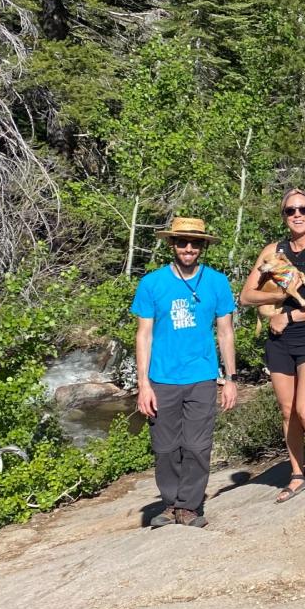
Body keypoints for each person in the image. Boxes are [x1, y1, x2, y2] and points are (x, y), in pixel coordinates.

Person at [239, 189, 305, 508]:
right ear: (283, 216)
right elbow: (246, 296)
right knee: (287, 411)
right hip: (279, 339)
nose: (297, 214)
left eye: (303, 209)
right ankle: (297, 474)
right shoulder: (273, 251)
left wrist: (289, 315)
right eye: (290, 210)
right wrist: (278, 298)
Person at [132, 217, 238, 528]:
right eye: (182, 242)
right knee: (165, 448)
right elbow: (144, 335)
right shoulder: (152, 283)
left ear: (203, 246)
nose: (188, 248)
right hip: (161, 378)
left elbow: (226, 332)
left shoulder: (217, 282)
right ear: (172, 245)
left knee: (196, 445)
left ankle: (190, 506)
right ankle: (170, 504)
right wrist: (143, 385)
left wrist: (230, 379)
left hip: (202, 377)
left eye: (194, 242)